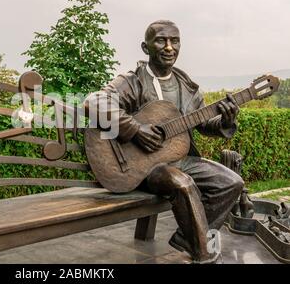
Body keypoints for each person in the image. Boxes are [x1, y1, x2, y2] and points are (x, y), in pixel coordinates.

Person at [86, 20, 244, 264]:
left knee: (231, 182)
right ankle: (204, 254)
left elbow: (202, 124)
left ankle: (186, 238)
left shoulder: (188, 88)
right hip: (144, 168)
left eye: (175, 41)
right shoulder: (133, 81)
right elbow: (95, 102)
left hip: (181, 159)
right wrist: (135, 129)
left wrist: (224, 122)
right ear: (145, 46)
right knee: (182, 183)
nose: (169, 47)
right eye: (161, 40)